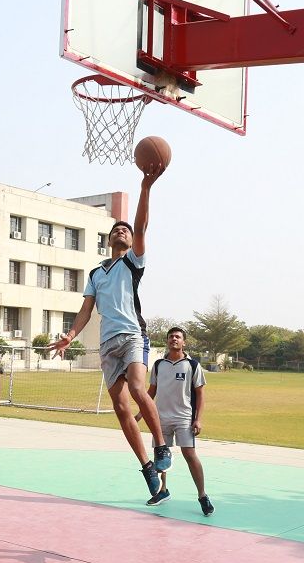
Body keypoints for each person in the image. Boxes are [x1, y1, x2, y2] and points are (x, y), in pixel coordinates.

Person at [47, 168, 172, 502]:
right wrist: (70, 335)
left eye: (125, 230)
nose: (122, 230)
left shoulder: (133, 263)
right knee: (119, 408)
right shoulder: (96, 273)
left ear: (132, 242)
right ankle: (147, 467)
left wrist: (145, 187)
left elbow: (141, 224)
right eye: (117, 228)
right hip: (107, 344)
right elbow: (87, 309)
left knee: (136, 388)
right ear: (109, 239)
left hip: (132, 335)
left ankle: (161, 447)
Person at [141, 326, 213, 516]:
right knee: (161, 456)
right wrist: (141, 413)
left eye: (178, 337)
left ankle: (202, 495)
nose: (174, 339)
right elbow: (151, 392)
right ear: (167, 341)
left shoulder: (193, 365)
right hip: (160, 418)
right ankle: (163, 491)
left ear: (184, 342)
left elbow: (200, 394)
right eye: (171, 336)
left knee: (189, 454)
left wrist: (198, 419)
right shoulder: (158, 365)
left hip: (183, 418)